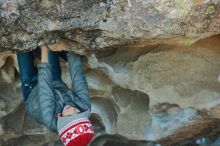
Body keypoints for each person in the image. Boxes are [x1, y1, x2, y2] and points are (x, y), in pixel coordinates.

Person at [17, 46, 94, 146]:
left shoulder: (49, 118)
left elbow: (45, 87)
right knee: (52, 45)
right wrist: (71, 49)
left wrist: (44, 49)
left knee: (22, 51)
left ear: (62, 121)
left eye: (69, 115)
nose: (72, 109)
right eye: (77, 112)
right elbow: (78, 77)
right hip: (55, 82)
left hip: (32, 91)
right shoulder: (84, 106)